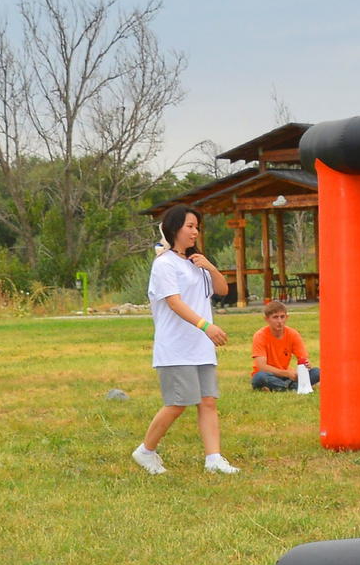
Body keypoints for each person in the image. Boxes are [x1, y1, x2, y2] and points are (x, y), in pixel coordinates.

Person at [133, 204, 237, 475]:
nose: (195, 232)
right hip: (176, 346)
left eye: (197, 227)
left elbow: (222, 290)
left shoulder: (196, 262)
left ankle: (213, 459)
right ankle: (145, 451)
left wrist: (210, 267)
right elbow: (174, 303)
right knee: (178, 403)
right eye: (190, 226)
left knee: (208, 401)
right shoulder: (164, 264)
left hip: (200, 347)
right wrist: (206, 326)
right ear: (174, 228)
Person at [250, 300, 315, 391]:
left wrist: (306, 365)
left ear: (286, 317)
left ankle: (284, 386)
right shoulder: (260, 336)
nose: (279, 321)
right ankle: (291, 387)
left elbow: (302, 358)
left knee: (316, 372)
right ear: (267, 319)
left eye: (282, 317)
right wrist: (287, 373)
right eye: (275, 317)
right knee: (259, 377)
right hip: (268, 374)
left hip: (287, 375)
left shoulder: (293, 334)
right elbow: (262, 367)